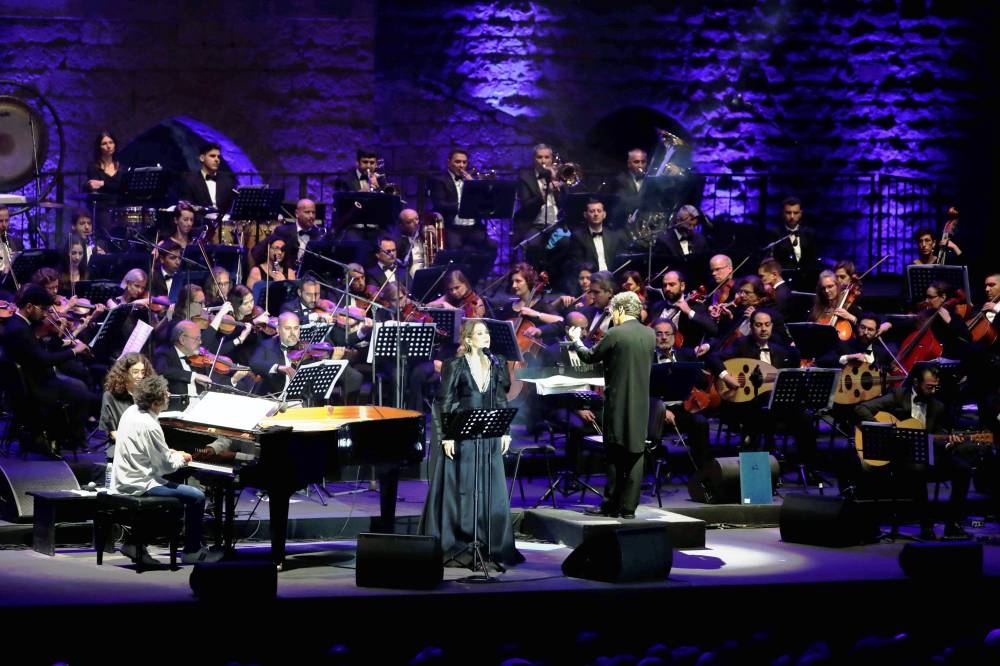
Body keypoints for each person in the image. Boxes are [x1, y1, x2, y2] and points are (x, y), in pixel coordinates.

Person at [420, 319, 524, 569]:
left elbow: (500, 398)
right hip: (463, 435)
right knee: (464, 488)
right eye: (479, 333)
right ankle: (461, 542)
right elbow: (443, 403)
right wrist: (446, 436)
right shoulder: (455, 365)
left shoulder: (496, 362)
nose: (485, 336)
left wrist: (505, 432)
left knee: (488, 488)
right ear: (467, 340)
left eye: (486, 332)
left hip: (488, 435)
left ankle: (490, 543)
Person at [108, 374, 223, 565]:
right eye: (164, 393)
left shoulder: (132, 412)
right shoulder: (151, 424)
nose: (168, 394)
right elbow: (166, 466)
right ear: (155, 402)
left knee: (180, 492)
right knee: (196, 496)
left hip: (125, 476)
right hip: (141, 482)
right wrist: (182, 457)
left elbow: (145, 448)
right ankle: (192, 551)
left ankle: (134, 542)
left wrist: (169, 451)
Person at [855, 365, 978, 540]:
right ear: (916, 383)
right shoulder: (899, 396)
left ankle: (953, 524)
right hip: (898, 457)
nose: (934, 391)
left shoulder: (938, 406)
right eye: (929, 386)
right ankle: (926, 526)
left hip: (925, 454)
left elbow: (939, 433)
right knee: (917, 470)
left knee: (963, 470)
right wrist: (883, 428)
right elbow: (861, 409)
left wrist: (948, 442)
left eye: (936, 386)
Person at [567, 291, 656, 518]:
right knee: (636, 453)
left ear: (620, 310)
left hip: (618, 403)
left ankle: (610, 506)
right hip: (641, 404)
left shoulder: (615, 333)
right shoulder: (649, 334)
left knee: (615, 454)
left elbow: (589, 357)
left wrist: (575, 340)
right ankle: (628, 509)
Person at [0, 283, 96, 454]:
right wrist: (74, 351)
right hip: (34, 387)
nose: (46, 314)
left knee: (78, 385)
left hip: (34, 380)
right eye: (43, 309)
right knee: (81, 392)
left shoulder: (20, 325)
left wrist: (61, 338)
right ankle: (71, 439)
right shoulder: (20, 330)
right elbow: (44, 360)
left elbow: (38, 351)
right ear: (29, 307)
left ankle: (67, 438)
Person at [426, 149, 497, 263]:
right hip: (453, 227)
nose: (461, 165)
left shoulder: (470, 180)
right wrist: (462, 206)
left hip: (473, 227)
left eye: (464, 162)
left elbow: (483, 202)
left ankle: (476, 277)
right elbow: (439, 204)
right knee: (456, 251)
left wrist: (473, 185)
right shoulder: (439, 180)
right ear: (449, 162)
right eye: (458, 162)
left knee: (492, 246)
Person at [99, 353, 156, 467]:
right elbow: (114, 433)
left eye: (143, 372)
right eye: (135, 372)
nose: (140, 376)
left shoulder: (148, 395)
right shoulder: (110, 396)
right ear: (124, 373)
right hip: (122, 448)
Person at [766, 196, 818, 285]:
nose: (792, 216)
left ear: (801, 214)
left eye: (796, 213)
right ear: (783, 213)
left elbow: (813, 258)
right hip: (782, 280)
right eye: (788, 213)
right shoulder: (776, 233)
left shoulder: (809, 233)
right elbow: (771, 259)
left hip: (805, 280)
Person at [568, 199, 628, 274]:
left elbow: (620, 261)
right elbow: (577, 265)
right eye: (592, 211)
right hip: (591, 280)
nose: (596, 214)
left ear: (604, 214)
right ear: (585, 215)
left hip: (613, 279)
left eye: (599, 211)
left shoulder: (614, 236)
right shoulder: (577, 237)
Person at [178, 141, 238, 215]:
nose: (217, 160)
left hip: (223, 224)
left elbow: (231, 208)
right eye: (212, 156)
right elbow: (186, 208)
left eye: (218, 157)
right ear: (202, 158)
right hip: (200, 224)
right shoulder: (190, 181)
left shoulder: (228, 181)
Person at [85, 130, 124, 197]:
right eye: (104, 144)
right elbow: (95, 188)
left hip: (120, 204)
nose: (108, 146)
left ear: (115, 145)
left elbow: (124, 187)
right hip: (103, 205)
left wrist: (102, 183)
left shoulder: (121, 167)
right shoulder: (93, 167)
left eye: (111, 142)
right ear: (99, 147)